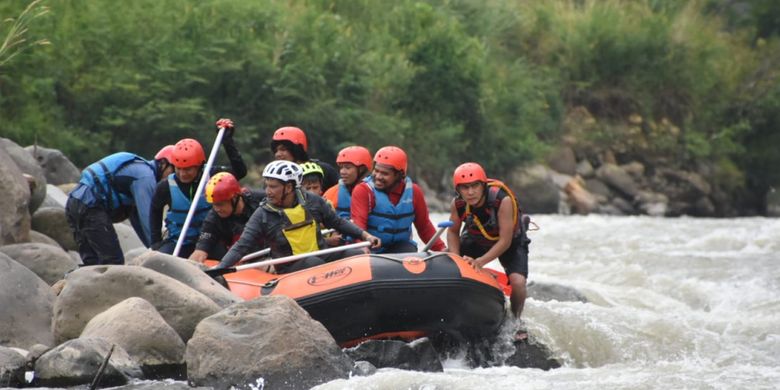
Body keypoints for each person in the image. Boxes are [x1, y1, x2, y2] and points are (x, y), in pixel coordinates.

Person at [214, 160, 381, 274]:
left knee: (357, 255)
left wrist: (365, 235)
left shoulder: (312, 201)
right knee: (313, 263)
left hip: (320, 254)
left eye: (274, 187)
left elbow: (337, 222)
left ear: (289, 187)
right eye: (267, 186)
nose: (268, 191)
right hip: (289, 268)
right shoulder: (262, 215)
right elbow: (242, 246)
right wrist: (220, 268)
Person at [446, 162, 530, 331]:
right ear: (458, 190)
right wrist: (456, 258)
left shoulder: (502, 199)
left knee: (518, 282)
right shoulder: (458, 204)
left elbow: (504, 241)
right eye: (464, 188)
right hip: (476, 237)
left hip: (509, 242)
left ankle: (516, 320)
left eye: (475, 186)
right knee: (447, 262)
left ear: (483, 185)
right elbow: (453, 232)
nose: (470, 192)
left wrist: (480, 262)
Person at [150, 119, 247, 258]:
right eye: (179, 169)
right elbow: (155, 210)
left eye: (188, 169)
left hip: (210, 241)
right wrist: (155, 242)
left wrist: (227, 141)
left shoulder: (213, 175)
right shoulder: (165, 186)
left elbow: (240, 171)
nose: (183, 174)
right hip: (178, 242)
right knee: (158, 261)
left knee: (227, 261)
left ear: (200, 165)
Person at [65, 146, 176, 265]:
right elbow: (149, 220)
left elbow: (139, 222)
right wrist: (164, 254)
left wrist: (154, 248)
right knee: (113, 261)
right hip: (89, 205)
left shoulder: (140, 174)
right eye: (174, 171)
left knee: (93, 263)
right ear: (163, 164)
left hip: (75, 203)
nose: (175, 177)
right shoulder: (145, 176)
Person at [350, 146, 445, 253]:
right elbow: (358, 225)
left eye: (385, 173)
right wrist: (362, 247)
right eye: (376, 171)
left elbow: (424, 227)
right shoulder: (363, 190)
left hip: (400, 248)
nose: (378, 176)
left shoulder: (414, 192)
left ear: (400, 175)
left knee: (409, 249)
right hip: (371, 247)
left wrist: (441, 248)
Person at [188, 172, 265, 263]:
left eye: (220, 204)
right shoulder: (213, 217)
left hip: (270, 252)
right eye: (213, 205)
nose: (216, 209)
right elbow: (200, 251)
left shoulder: (260, 199)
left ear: (235, 197)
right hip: (241, 258)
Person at [270, 126, 339, 189]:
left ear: (297, 150)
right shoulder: (275, 176)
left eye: (283, 149)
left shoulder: (325, 170)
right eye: (276, 150)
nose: (278, 154)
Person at [323, 145, 373, 220]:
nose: (342, 172)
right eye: (341, 167)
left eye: (347, 167)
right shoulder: (332, 193)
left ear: (361, 169)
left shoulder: (374, 192)